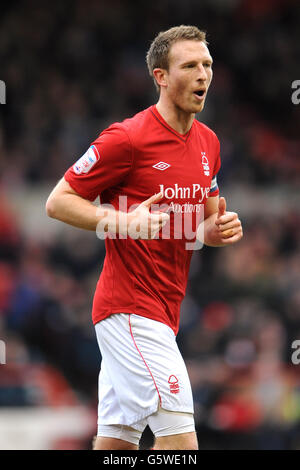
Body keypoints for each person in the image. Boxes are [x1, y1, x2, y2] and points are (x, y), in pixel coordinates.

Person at [46, 25, 243, 450]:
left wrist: (215, 231)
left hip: (163, 312)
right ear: (161, 77)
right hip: (130, 310)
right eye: (189, 65)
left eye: (207, 65)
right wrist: (123, 222)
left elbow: (202, 225)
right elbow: (58, 202)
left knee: (116, 445)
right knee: (181, 446)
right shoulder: (128, 137)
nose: (202, 75)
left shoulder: (209, 143)